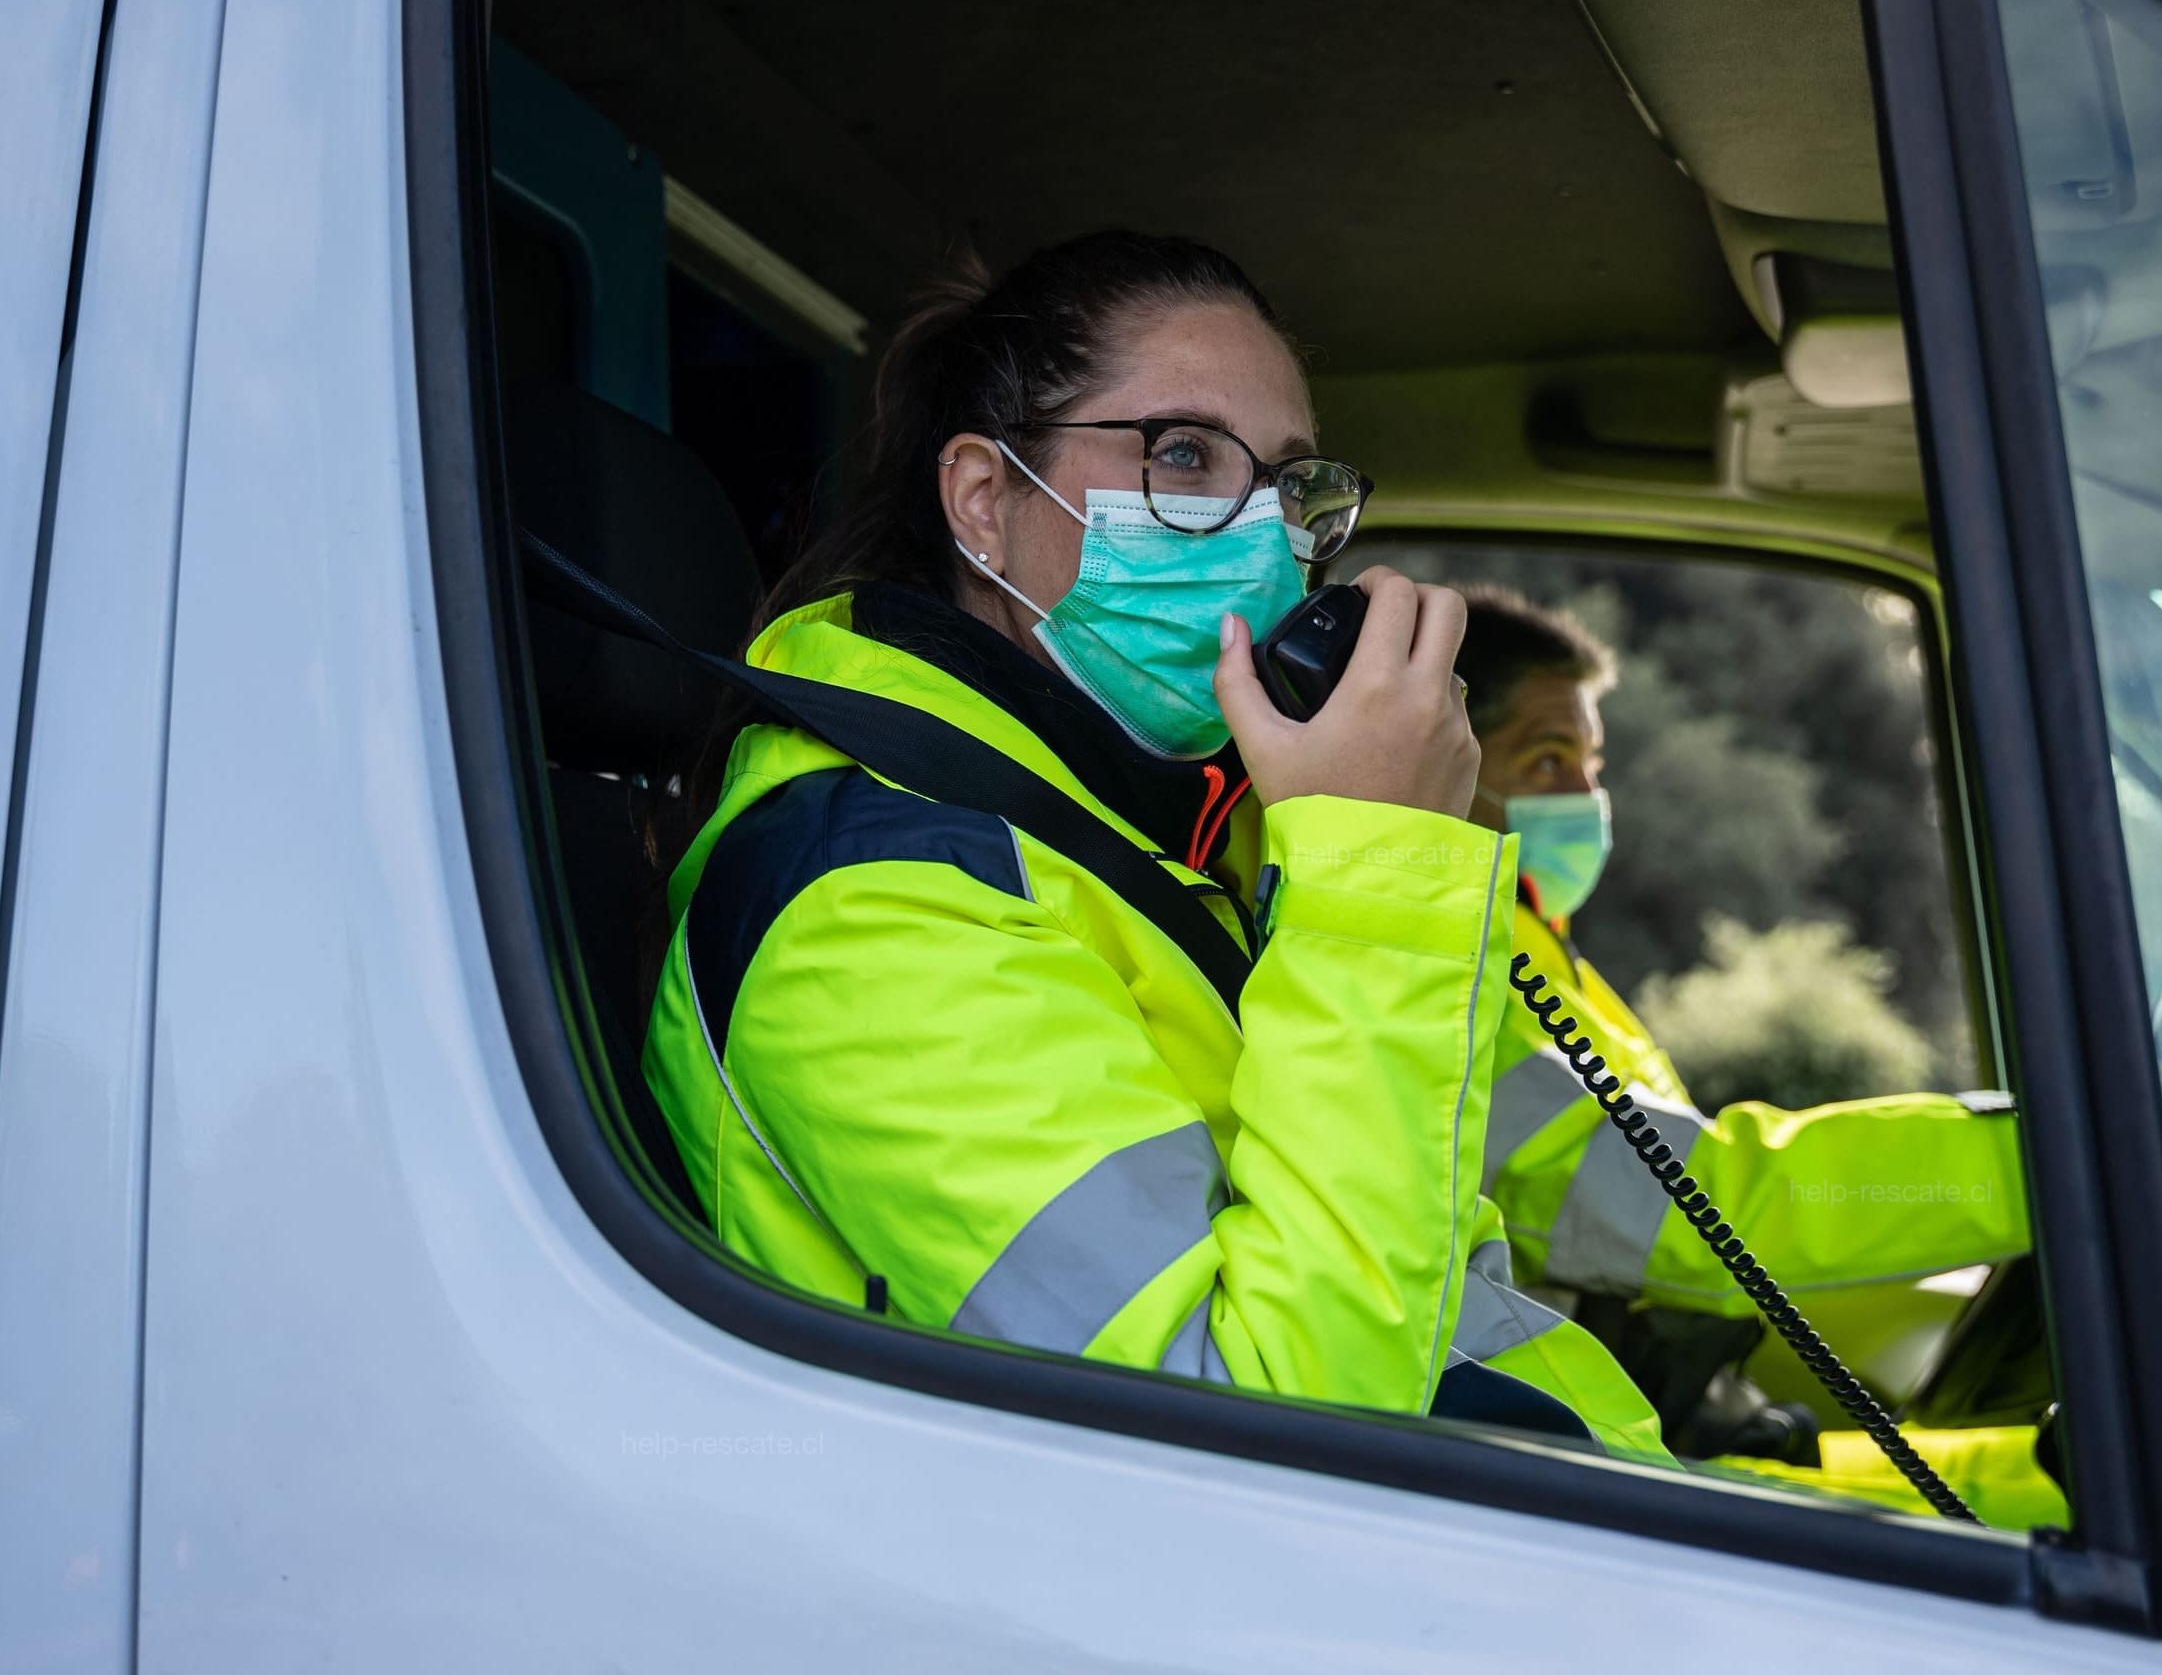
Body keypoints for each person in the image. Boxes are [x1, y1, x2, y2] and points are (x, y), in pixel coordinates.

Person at [640, 232, 1670, 1462]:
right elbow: (1265, 1434)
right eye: (1183, 455)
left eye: (1289, 483)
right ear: (985, 500)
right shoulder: (873, 901)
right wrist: (1374, 868)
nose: (1264, 537)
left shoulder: (1157, 841)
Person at [1456, 585, 2066, 1522]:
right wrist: (2053, 1159)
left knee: (2075, 1480)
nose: (1585, 797)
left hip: (1667, 1417)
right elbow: (1701, 1210)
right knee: (2096, 1505)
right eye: (1545, 760)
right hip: (1588, 1462)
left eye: (1590, 762)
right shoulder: (1447, 978)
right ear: (1439, 757)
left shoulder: (1536, 952)